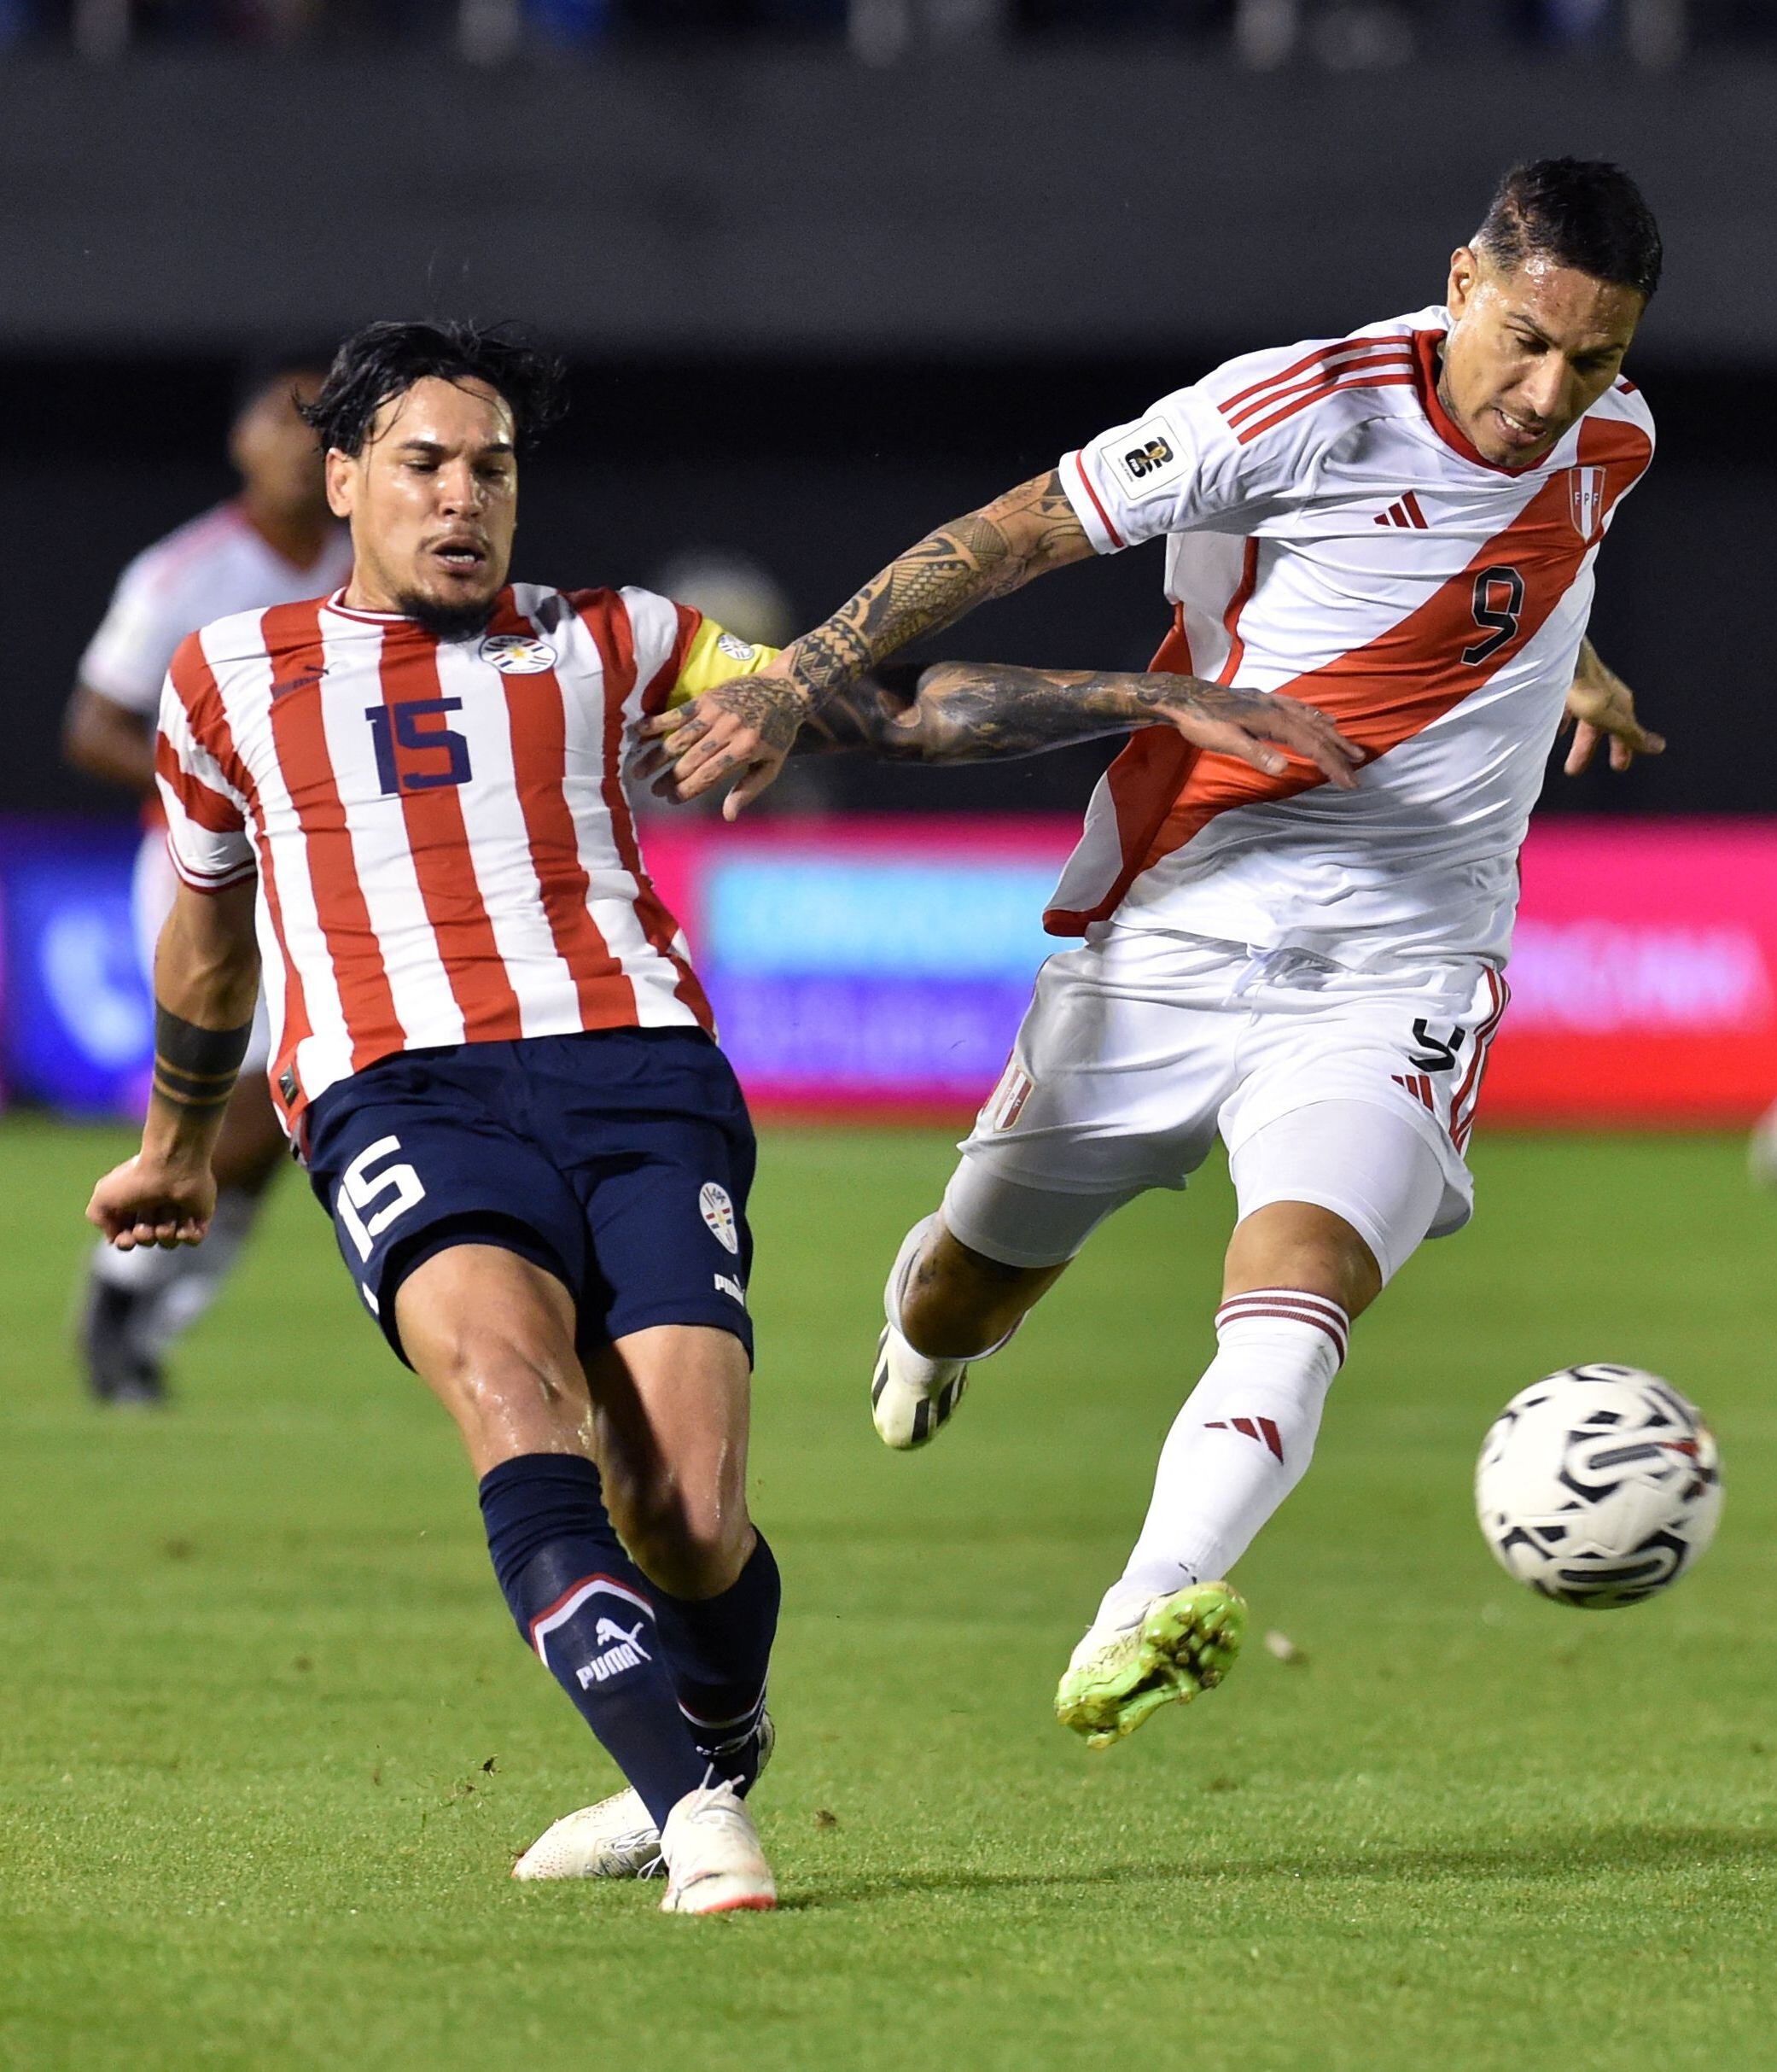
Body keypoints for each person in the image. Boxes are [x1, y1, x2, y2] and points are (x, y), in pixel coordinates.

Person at [644, 159, 1668, 1749]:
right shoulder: (1297, 409)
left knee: (1303, 1265)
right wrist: (793, 678)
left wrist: (1573, 670)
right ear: (1461, 279)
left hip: (1407, 951)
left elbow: (1536, 555)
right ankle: (924, 1325)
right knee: (973, 1286)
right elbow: (1011, 534)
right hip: (1182, 918)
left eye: (1591, 359)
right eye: (1525, 341)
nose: (1548, 392)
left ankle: (1148, 1602)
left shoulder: (1614, 439)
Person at [84, 320, 811, 1914]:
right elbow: (207, 945)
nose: (463, 497)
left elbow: (843, 700)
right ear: (344, 477)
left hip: (638, 1071)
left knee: (686, 1515)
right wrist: (175, 1143)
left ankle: (706, 1748)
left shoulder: (617, 633)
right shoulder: (224, 678)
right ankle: (698, 1817)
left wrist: (1116, 705)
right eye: (423, 463)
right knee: (502, 1383)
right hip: (394, 1086)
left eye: (492, 466)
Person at [64, 358, 352, 1404]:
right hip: (205, 861)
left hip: (322, 861)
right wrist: (219, 776)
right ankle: (121, 1304)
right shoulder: (184, 573)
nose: (305, 443)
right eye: (285, 423)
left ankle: (137, 1316)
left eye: (324, 427)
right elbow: (93, 726)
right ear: (241, 443)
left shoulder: (370, 562)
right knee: (242, 1106)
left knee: (288, 1118)